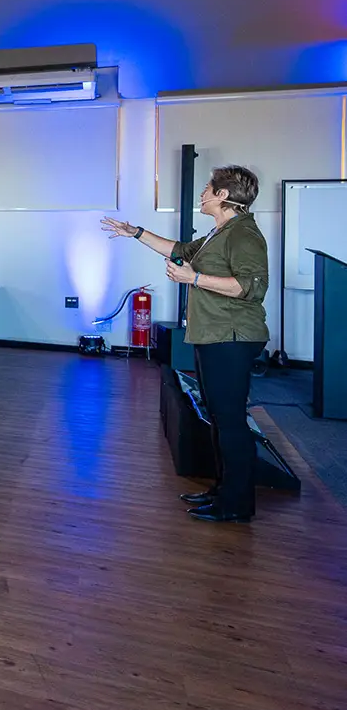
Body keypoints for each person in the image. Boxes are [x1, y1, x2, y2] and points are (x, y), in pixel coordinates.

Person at [102, 165, 269, 523]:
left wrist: (194, 278)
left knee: (230, 421)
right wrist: (136, 232)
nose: (202, 194)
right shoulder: (218, 233)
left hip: (231, 337)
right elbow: (179, 250)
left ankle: (237, 504)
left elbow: (251, 287)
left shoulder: (244, 234)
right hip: (213, 336)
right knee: (219, 419)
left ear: (223, 195)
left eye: (208, 188)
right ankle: (223, 491)